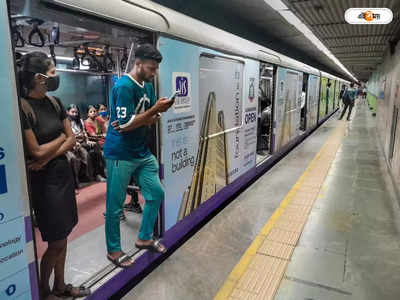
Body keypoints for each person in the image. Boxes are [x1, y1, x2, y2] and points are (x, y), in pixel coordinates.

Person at [18, 51, 90, 299]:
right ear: (39, 78)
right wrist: (60, 139)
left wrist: (49, 154)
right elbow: (34, 150)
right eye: (52, 73)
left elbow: (71, 140)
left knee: (64, 235)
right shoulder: (23, 107)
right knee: (55, 242)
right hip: (44, 184)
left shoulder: (56, 102)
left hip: (62, 176)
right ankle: (43, 290)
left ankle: (60, 286)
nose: (55, 76)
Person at [103, 44, 174, 268]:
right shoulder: (124, 87)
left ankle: (144, 237)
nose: (154, 73)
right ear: (138, 63)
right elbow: (125, 125)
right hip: (120, 154)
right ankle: (113, 250)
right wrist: (150, 113)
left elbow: (146, 119)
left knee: (156, 193)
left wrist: (154, 113)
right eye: (151, 68)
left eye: (155, 69)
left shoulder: (148, 86)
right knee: (115, 206)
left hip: (141, 152)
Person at [66, 104, 106, 185]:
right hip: (74, 143)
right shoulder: (66, 122)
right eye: (72, 112)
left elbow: (84, 133)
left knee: (95, 145)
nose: (74, 114)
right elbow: (69, 135)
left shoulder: (80, 121)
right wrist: (76, 141)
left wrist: (87, 140)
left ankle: (98, 174)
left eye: (76, 112)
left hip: (83, 142)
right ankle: (86, 177)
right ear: (67, 112)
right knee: (85, 153)